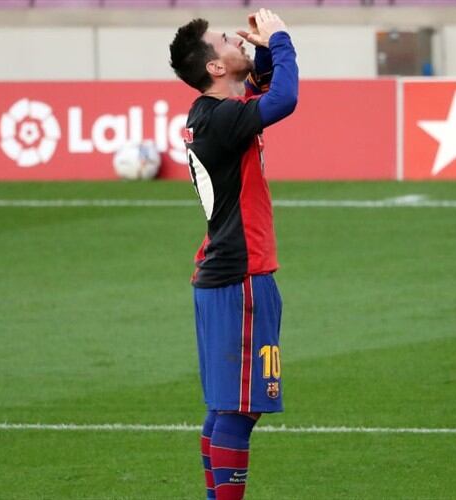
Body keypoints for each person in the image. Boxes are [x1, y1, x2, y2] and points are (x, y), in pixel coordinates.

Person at [169, 10, 298, 500]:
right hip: (240, 277)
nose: (235, 40)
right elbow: (283, 98)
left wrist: (263, 52)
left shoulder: (213, 115)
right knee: (240, 409)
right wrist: (282, 41)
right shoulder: (221, 118)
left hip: (223, 275)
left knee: (226, 406)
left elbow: (262, 94)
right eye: (226, 40)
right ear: (215, 68)